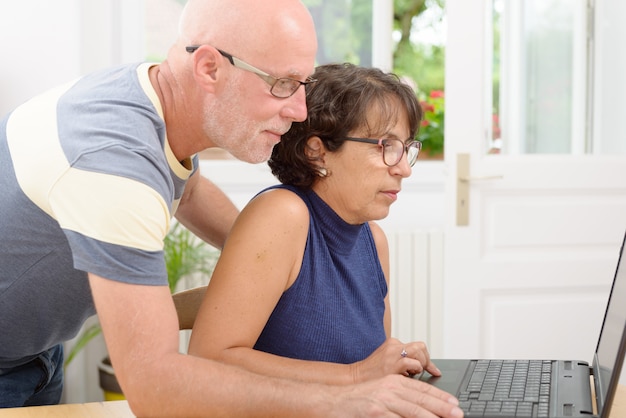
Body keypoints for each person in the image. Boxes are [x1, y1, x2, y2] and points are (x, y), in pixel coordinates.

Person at [0, 0, 462, 415]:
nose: (301, 110)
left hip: (36, 352)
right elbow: (154, 387)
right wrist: (346, 392)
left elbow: (192, 193)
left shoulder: (154, 105)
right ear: (208, 69)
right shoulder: (112, 164)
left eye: (301, 83)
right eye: (281, 84)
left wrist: (284, 261)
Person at [188, 62, 440, 385]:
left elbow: (366, 377)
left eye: (405, 149)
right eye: (385, 147)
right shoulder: (283, 215)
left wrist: (392, 365)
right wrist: (357, 375)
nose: (404, 168)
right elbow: (208, 360)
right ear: (317, 153)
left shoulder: (374, 242)